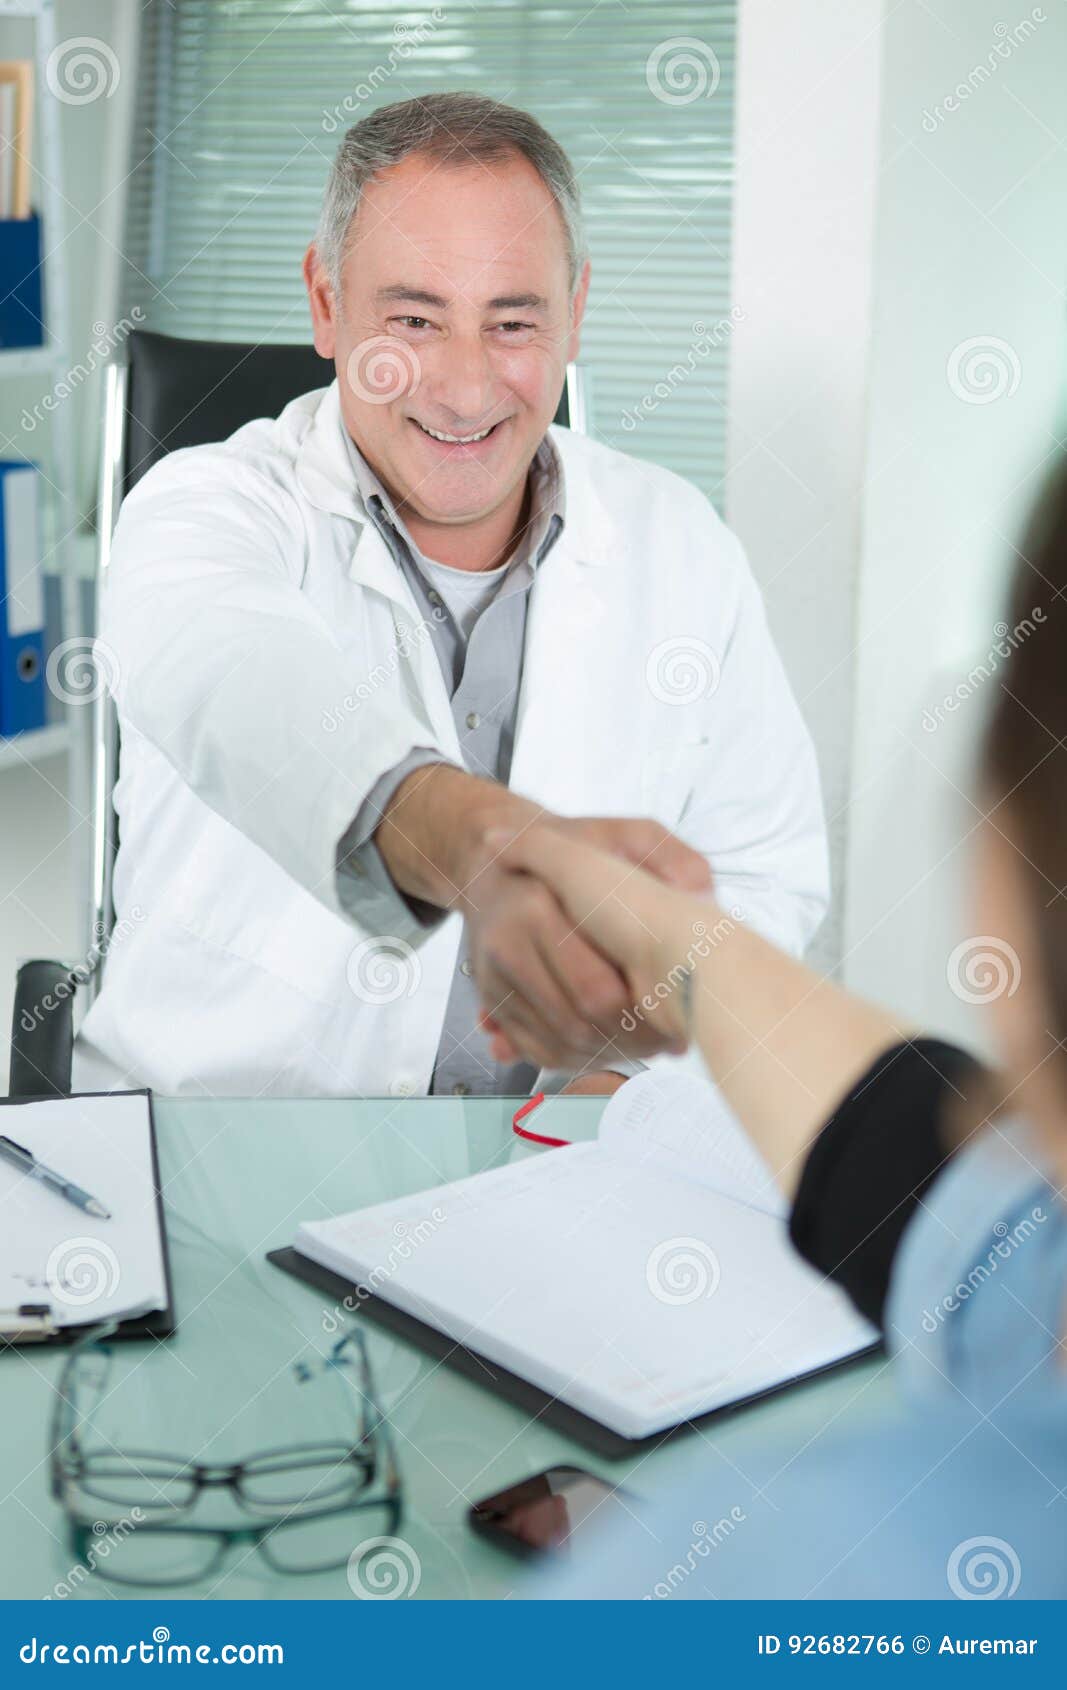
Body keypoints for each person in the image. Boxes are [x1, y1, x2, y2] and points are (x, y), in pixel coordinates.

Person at [73, 93, 827, 1100]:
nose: (467, 390)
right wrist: (484, 846)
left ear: (574, 313)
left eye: (512, 322)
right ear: (326, 301)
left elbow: (763, 875)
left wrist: (622, 1070)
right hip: (216, 1155)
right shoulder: (201, 511)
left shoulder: (677, 539)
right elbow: (244, 684)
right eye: (414, 320)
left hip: (567, 1169)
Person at [493, 458, 1067, 1599]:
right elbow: (931, 1186)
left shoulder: (735, 1578)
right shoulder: (1029, 1263)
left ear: (993, 885)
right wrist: (654, 929)